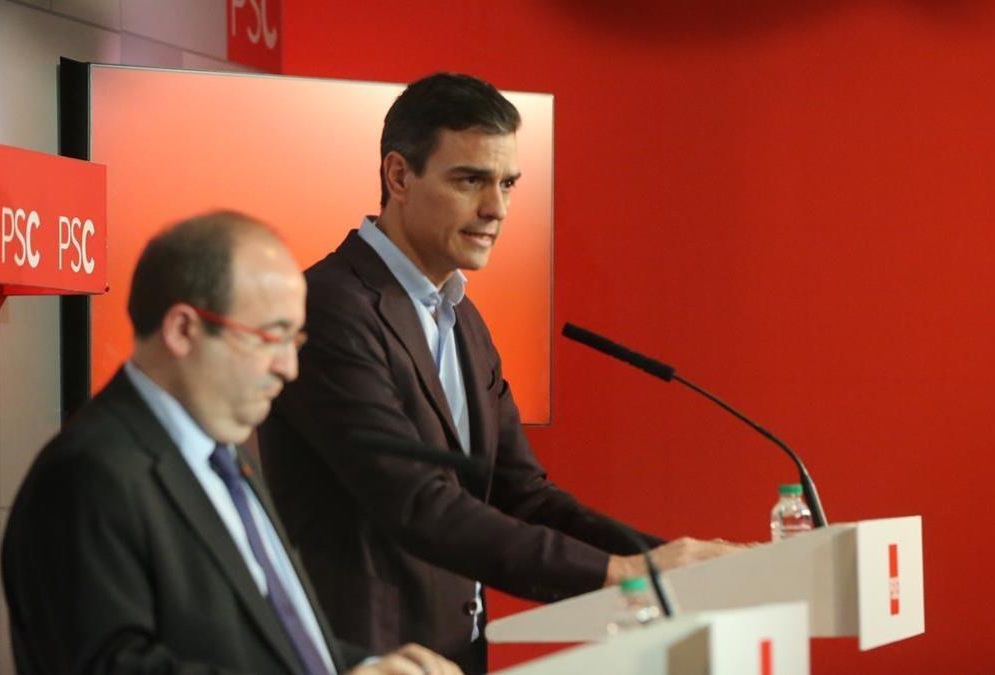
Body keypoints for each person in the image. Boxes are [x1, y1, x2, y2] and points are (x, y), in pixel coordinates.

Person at [257, 73, 743, 673]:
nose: (498, 209)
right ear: (399, 176)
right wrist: (623, 573)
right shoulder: (330, 307)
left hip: (454, 658)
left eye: (508, 183)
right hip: (364, 660)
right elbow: (415, 503)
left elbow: (523, 495)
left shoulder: (463, 319)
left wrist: (666, 558)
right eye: (471, 181)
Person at [1, 211, 460, 675]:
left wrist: (371, 666)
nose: (289, 367)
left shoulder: (228, 458)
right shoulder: (87, 475)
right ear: (183, 330)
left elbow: (276, 645)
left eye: (295, 340)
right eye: (270, 337)